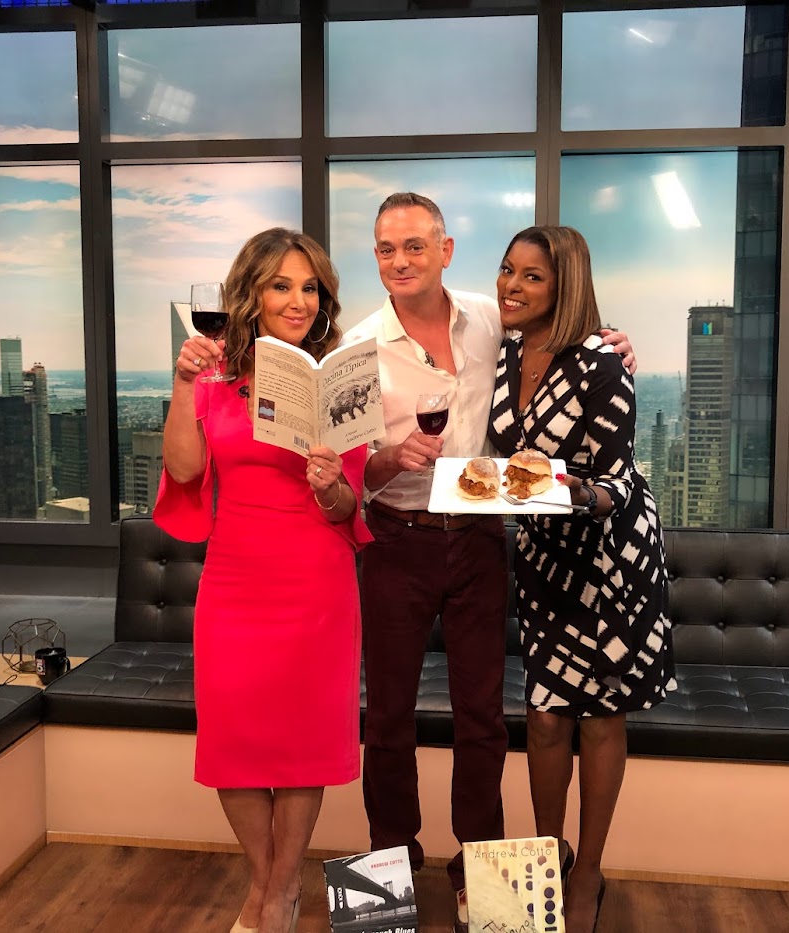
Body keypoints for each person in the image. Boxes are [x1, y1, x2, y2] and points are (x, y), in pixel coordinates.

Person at [345, 193, 636, 932]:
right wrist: (389, 457)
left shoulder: (490, 319)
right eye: (386, 249)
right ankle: (389, 872)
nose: (401, 260)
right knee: (387, 716)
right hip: (396, 538)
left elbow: (564, 339)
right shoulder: (357, 347)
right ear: (375, 257)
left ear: (445, 251)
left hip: (479, 539)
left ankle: (479, 874)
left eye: (415, 245)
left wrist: (613, 344)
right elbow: (350, 473)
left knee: (482, 718)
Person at [155, 228, 372, 933]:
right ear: (250, 292)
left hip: (317, 582)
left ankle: (278, 895)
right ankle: (264, 881)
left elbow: (346, 509)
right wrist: (182, 384)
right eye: (282, 285)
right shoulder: (213, 377)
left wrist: (331, 484)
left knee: (303, 745)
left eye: (310, 288)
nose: (299, 301)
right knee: (236, 745)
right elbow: (184, 470)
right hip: (234, 581)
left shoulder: (340, 381)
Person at [488, 225, 676, 933]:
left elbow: (618, 482)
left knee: (598, 714)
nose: (512, 285)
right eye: (508, 269)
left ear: (564, 286)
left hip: (607, 558)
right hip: (543, 554)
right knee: (543, 715)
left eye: (532, 276)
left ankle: (590, 868)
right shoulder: (505, 349)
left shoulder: (601, 359)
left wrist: (574, 494)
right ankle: (548, 857)